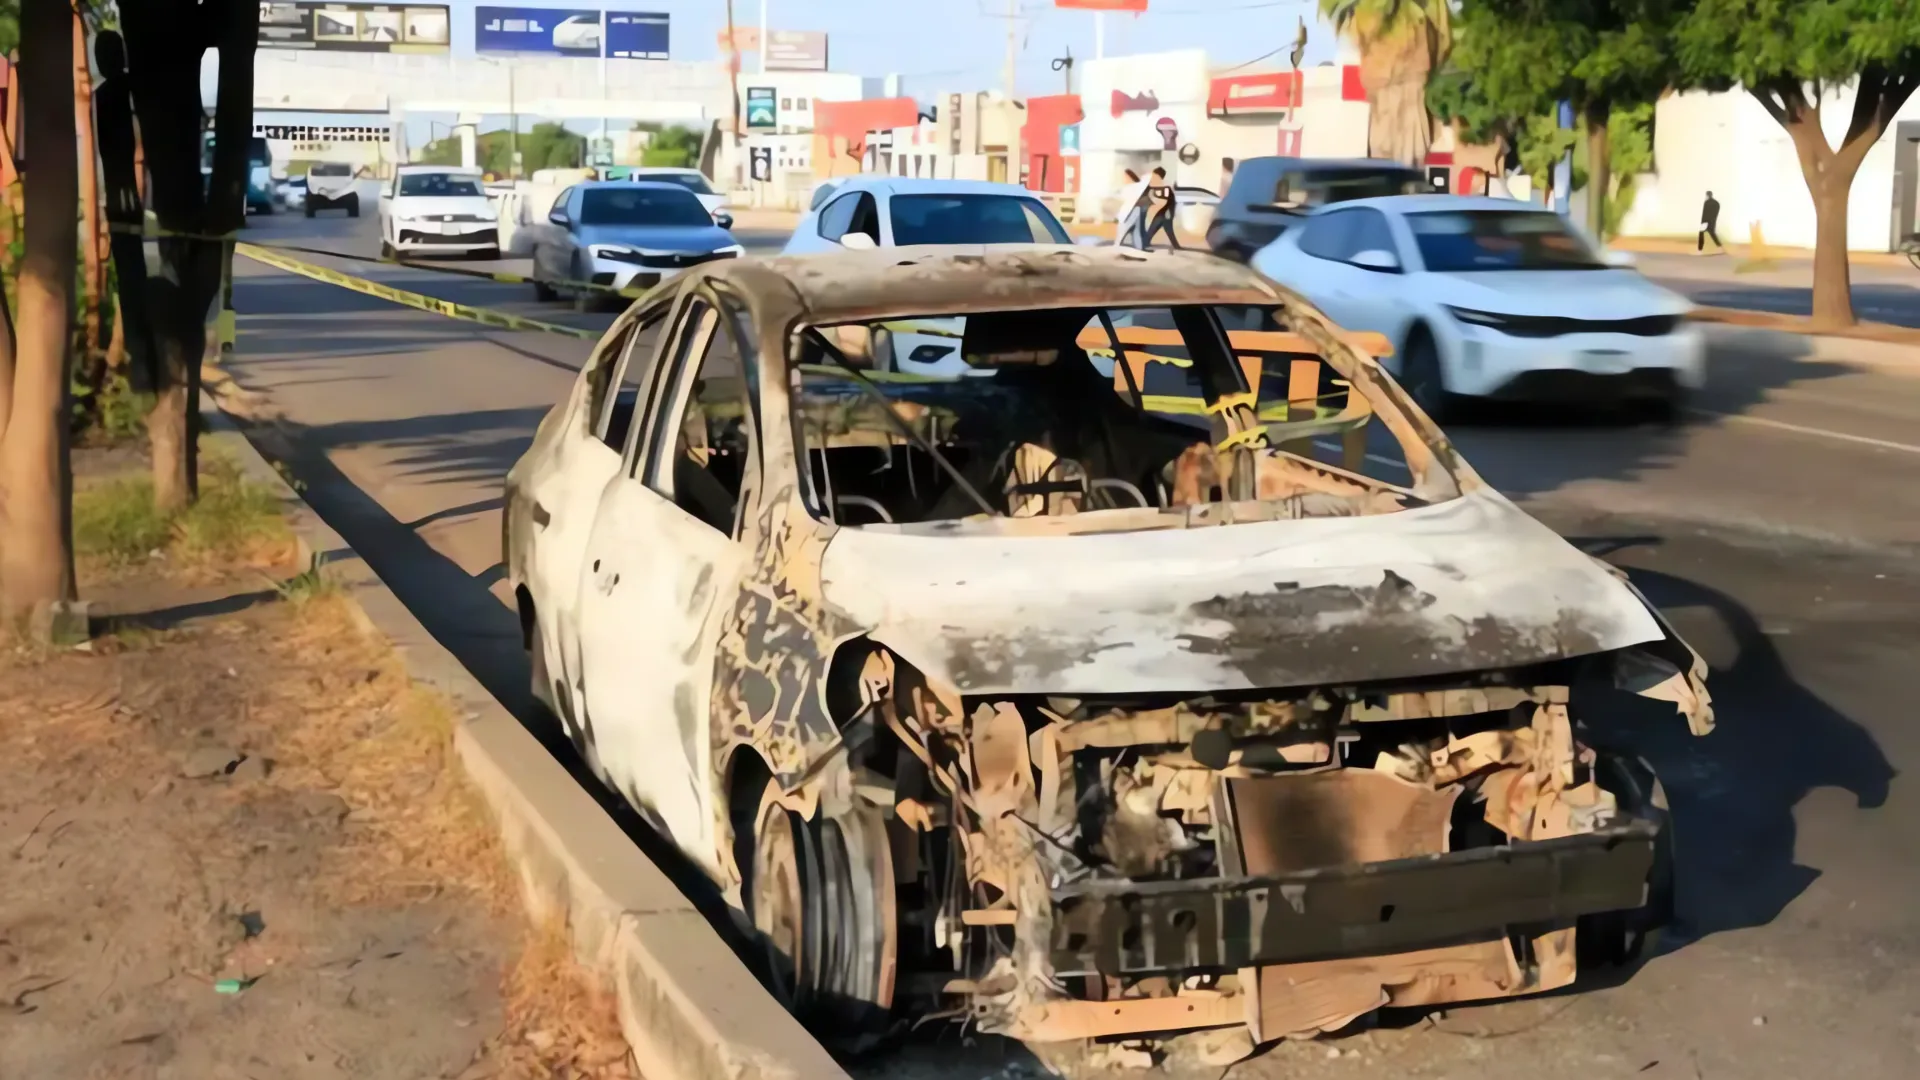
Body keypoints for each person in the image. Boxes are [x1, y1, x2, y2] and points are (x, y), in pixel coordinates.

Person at [1141, 167, 1180, 250]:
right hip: (1165, 213)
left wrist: (1153, 208)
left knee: (1154, 228)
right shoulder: (1159, 185)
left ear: (1158, 176)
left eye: (1154, 175)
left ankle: (1144, 243)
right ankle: (1176, 246)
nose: (1152, 177)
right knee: (1168, 230)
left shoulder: (1164, 187)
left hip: (1165, 213)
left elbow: (1165, 202)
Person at [1114, 168, 1149, 248]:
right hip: (1137, 211)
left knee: (1121, 233)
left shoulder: (1128, 188)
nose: (1124, 179)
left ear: (1129, 177)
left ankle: (1116, 249)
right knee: (1136, 233)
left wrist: (1118, 217)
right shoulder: (1139, 186)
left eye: (1125, 177)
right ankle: (1138, 251)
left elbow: (1126, 203)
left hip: (1129, 212)